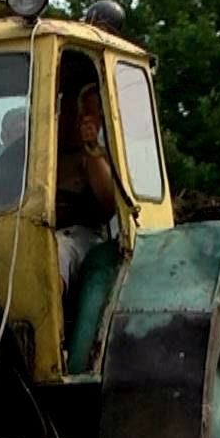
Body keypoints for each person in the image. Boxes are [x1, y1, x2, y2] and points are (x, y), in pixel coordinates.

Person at [55, 83, 128, 287]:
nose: (75, 119)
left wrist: (91, 148)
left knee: (55, 252)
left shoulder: (97, 156)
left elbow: (108, 202)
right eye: (68, 110)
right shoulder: (41, 158)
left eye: (85, 114)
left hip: (82, 237)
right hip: (37, 230)